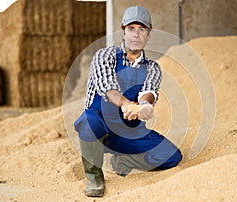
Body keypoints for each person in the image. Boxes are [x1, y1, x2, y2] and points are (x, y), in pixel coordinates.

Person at [74, 5, 182, 197]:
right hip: (100, 131)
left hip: (127, 131)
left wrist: (145, 105)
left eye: (142, 29)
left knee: (171, 156)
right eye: (131, 29)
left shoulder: (153, 68)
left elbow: (148, 91)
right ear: (123, 31)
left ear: (149, 33)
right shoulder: (104, 56)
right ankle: (94, 178)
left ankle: (124, 161)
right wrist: (127, 104)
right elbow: (108, 88)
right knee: (89, 121)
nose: (136, 35)